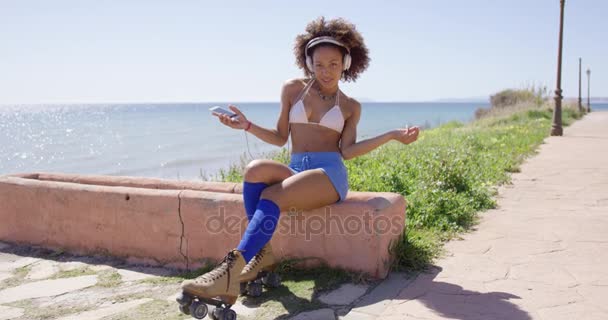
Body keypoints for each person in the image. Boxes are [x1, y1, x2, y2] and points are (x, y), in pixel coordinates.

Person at [180, 16, 419, 305]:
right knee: (254, 169)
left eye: (333, 64)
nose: (326, 71)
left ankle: (231, 271)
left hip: (328, 175)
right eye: (319, 64)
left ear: (345, 63)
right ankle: (263, 255)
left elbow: (349, 150)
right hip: (295, 168)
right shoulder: (293, 89)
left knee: (272, 194)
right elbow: (281, 137)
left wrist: (392, 135)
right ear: (308, 63)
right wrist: (246, 125)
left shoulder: (350, 106)